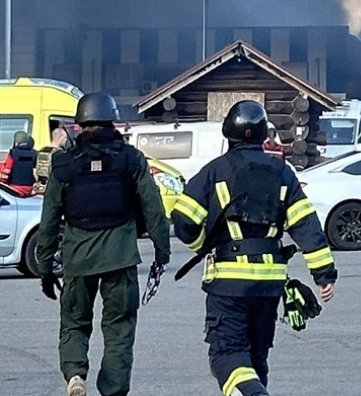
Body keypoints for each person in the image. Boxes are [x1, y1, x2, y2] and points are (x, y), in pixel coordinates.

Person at [172, 100, 337, 396]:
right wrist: (324, 274)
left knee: (227, 355)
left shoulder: (215, 171)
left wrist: (203, 245)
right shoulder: (282, 172)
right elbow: (305, 224)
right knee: (255, 359)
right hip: (269, 284)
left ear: (228, 134)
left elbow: (183, 220)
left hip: (228, 283)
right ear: (263, 135)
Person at [35, 93, 171, 396]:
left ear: (80, 123)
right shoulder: (131, 158)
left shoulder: (63, 164)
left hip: (77, 258)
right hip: (120, 258)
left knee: (73, 322)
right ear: (112, 119)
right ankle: (113, 390)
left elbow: (49, 220)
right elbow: (153, 207)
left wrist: (45, 268)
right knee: (119, 329)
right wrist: (162, 251)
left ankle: (74, 374)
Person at [34, 127, 72, 195]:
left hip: (39, 188)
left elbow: (34, 170)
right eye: (65, 138)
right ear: (60, 138)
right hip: (52, 189)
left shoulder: (41, 151)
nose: (66, 140)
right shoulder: (59, 154)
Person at [1, 130, 38, 196]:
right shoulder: (35, 153)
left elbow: (6, 171)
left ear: (16, 142)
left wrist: (3, 183)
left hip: (14, 188)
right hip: (30, 188)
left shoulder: (13, 153)